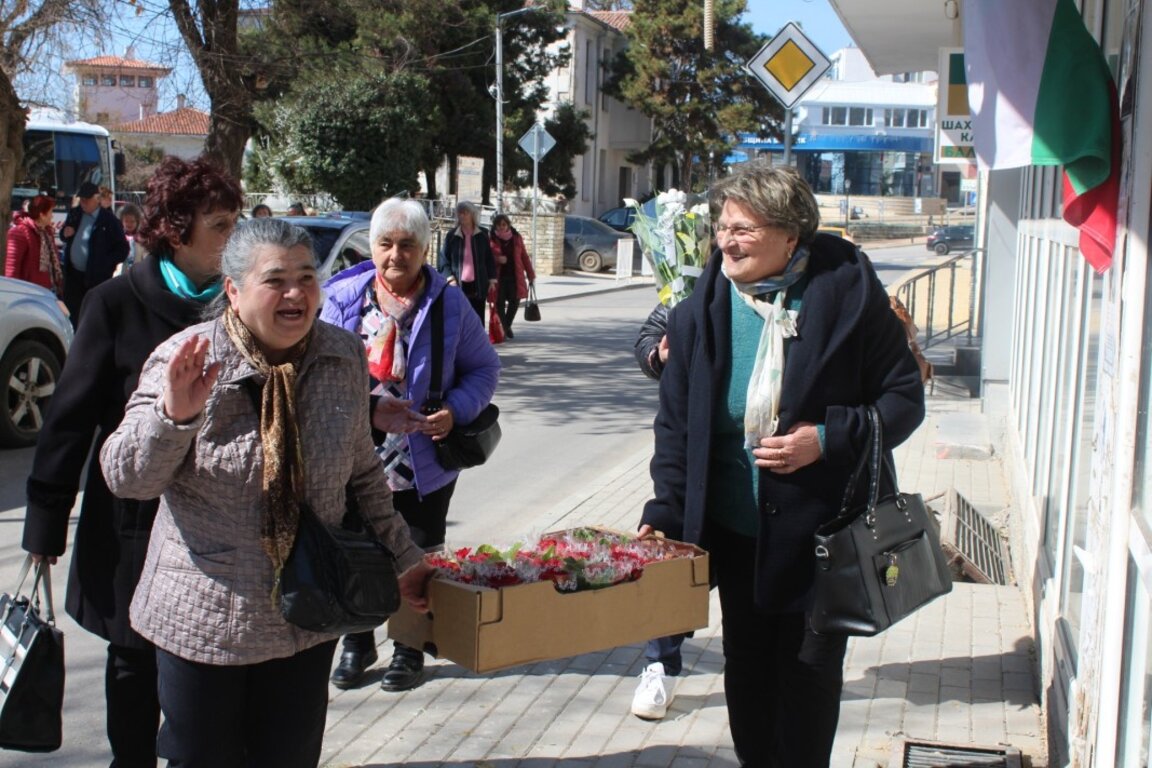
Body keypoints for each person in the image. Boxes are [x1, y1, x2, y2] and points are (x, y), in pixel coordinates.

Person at [97, 218, 436, 766]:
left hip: (306, 613)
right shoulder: (187, 359)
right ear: (232, 290)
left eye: (306, 277)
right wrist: (173, 417)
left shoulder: (341, 357)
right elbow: (126, 478)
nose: (296, 294)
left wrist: (406, 558)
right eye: (275, 280)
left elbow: (364, 476)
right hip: (204, 622)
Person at [639, 162, 925, 767]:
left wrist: (825, 437)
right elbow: (676, 431)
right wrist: (663, 513)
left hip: (826, 536)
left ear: (791, 234)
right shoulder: (698, 316)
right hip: (739, 538)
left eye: (743, 227)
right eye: (722, 226)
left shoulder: (846, 291)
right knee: (746, 671)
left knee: (807, 679)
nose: (725, 239)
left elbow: (903, 399)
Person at [22, 156, 244, 768]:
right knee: (133, 667)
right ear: (177, 229)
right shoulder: (114, 303)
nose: (234, 237)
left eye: (235, 221)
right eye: (221, 224)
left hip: (219, 534)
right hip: (133, 526)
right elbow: (69, 421)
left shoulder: (241, 307)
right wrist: (45, 519)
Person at [320, 198, 500, 692]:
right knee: (356, 550)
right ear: (371, 247)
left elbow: (484, 368)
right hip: (354, 454)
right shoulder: (343, 299)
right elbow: (318, 376)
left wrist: (455, 411)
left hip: (423, 459)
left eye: (407, 245)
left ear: (424, 250)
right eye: (385, 244)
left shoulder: (447, 303)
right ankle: (357, 642)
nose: (395, 255)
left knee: (419, 555)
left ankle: (410, 647)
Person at [60, 180, 129, 322]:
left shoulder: (109, 220)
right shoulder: (75, 214)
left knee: (92, 315)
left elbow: (122, 249)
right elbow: (64, 235)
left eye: (87, 200)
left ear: (97, 200)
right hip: (73, 276)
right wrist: (64, 233)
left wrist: (104, 263)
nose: (83, 203)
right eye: (82, 200)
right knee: (72, 313)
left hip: (95, 278)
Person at [437, 200, 496, 319]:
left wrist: (492, 280)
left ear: (472, 215)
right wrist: (449, 277)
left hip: (479, 283)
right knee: (459, 317)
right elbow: (443, 259)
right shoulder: (452, 235)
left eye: (465, 213)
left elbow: (489, 258)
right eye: (460, 213)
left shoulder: (483, 234)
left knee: (478, 317)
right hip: (458, 283)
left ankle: (477, 338)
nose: (462, 215)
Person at [5, 194, 63, 297]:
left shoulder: (47, 232)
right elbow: (12, 269)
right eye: (50, 212)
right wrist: (12, 295)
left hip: (48, 290)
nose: (52, 215)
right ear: (42, 215)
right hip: (29, 294)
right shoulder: (19, 232)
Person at [489, 213, 535, 339]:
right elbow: (486, 258)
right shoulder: (491, 238)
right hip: (498, 277)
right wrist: (497, 259)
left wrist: (530, 273)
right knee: (499, 304)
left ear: (508, 225)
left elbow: (524, 256)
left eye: (504, 224)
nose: (501, 227)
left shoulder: (516, 237)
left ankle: (506, 325)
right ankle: (504, 328)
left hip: (515, 276)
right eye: (498, 225)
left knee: (515, 302)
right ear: (495, 226)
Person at [118, 203, 144, 269]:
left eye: (132, 221)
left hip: (136, 271)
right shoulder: (119, 237)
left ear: (137, 222)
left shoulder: (140, 238)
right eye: (126, 221)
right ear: (122, 221)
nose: (129, 224)